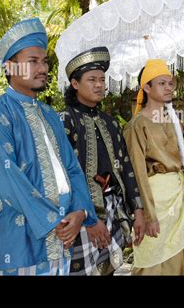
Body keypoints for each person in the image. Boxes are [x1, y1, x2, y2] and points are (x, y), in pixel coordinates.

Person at [0, 18, 101, 275]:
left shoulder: (50, 115)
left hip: (62, 239)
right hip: (19, 243)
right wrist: (56, 222)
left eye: (44, 62)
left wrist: (81, 212)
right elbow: (9, 181)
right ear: (10, 67)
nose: (42, 68)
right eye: (32, 61)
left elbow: (72, 168)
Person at [60, 46, 145, 276]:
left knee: (108, 270)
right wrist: (89, 217)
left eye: (102, 79)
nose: (99, 85)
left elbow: (126, 167)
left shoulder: (111, 123)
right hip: (80, 213)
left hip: (113, 208)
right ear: (75, 84)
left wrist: (138, 210)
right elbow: (62, 177)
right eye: (92, 80)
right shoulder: (65, 122)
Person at [123, 59, 184, 275]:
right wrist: (148, 215)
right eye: (162, 83)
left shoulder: (176, 122)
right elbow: (137, 173)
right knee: (151, 264)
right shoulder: (137, 125)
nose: (169, 88)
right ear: (146, 88)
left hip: (177, 200)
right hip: (155, 201)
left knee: (176, 262)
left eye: (171, 83)